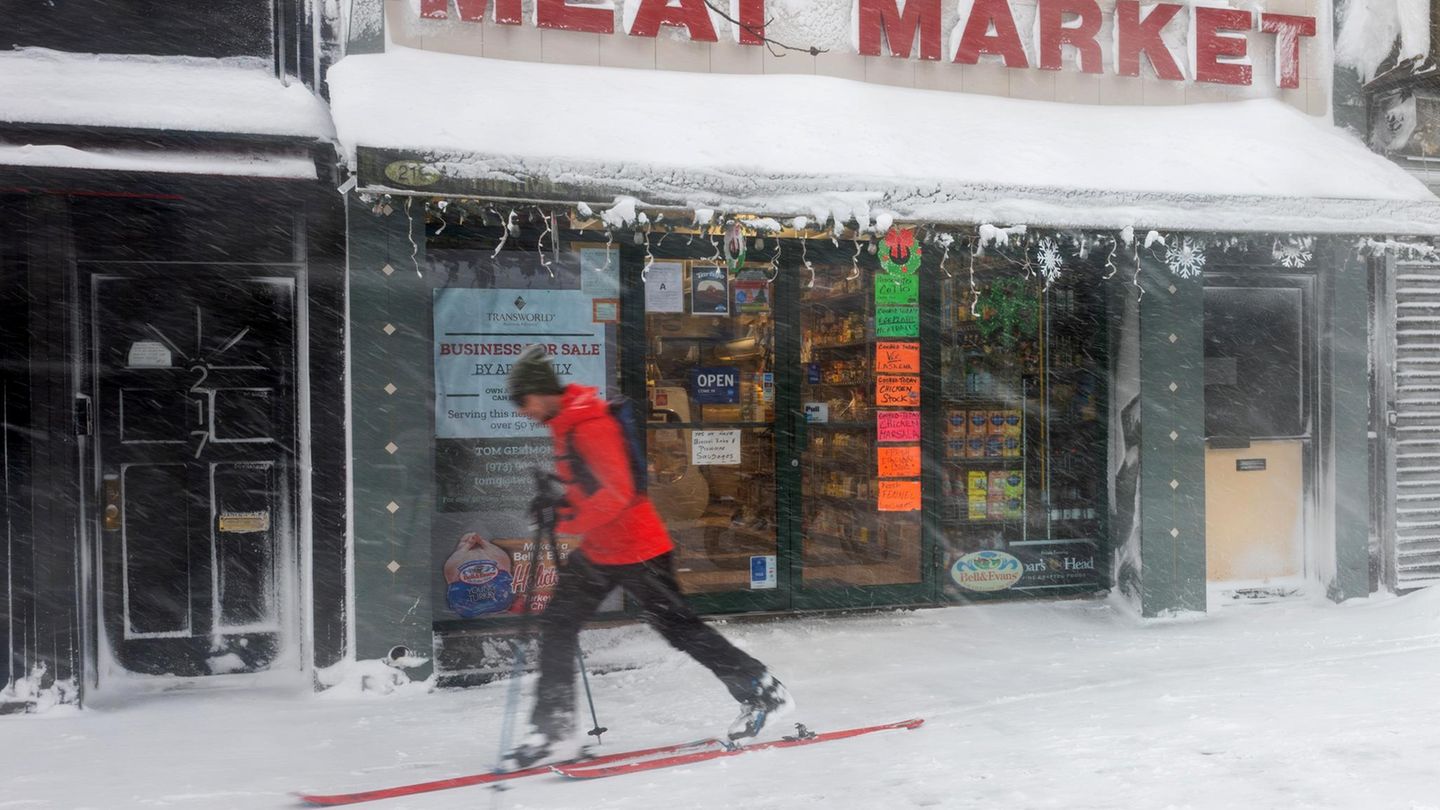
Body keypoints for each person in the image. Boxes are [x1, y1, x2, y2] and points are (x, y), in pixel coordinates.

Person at [502, 345, 791, 768]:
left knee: (681, 630)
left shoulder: (590, 425)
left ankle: (762, 690)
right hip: (602, 549)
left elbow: (618, 493)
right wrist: (558, 503)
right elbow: (590, 487)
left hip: (639, 549)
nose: (523, 411)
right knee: (558, 623)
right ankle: (554, 731)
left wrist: (566, 518)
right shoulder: (565, 424)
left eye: (523, 401)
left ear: (541, 392)